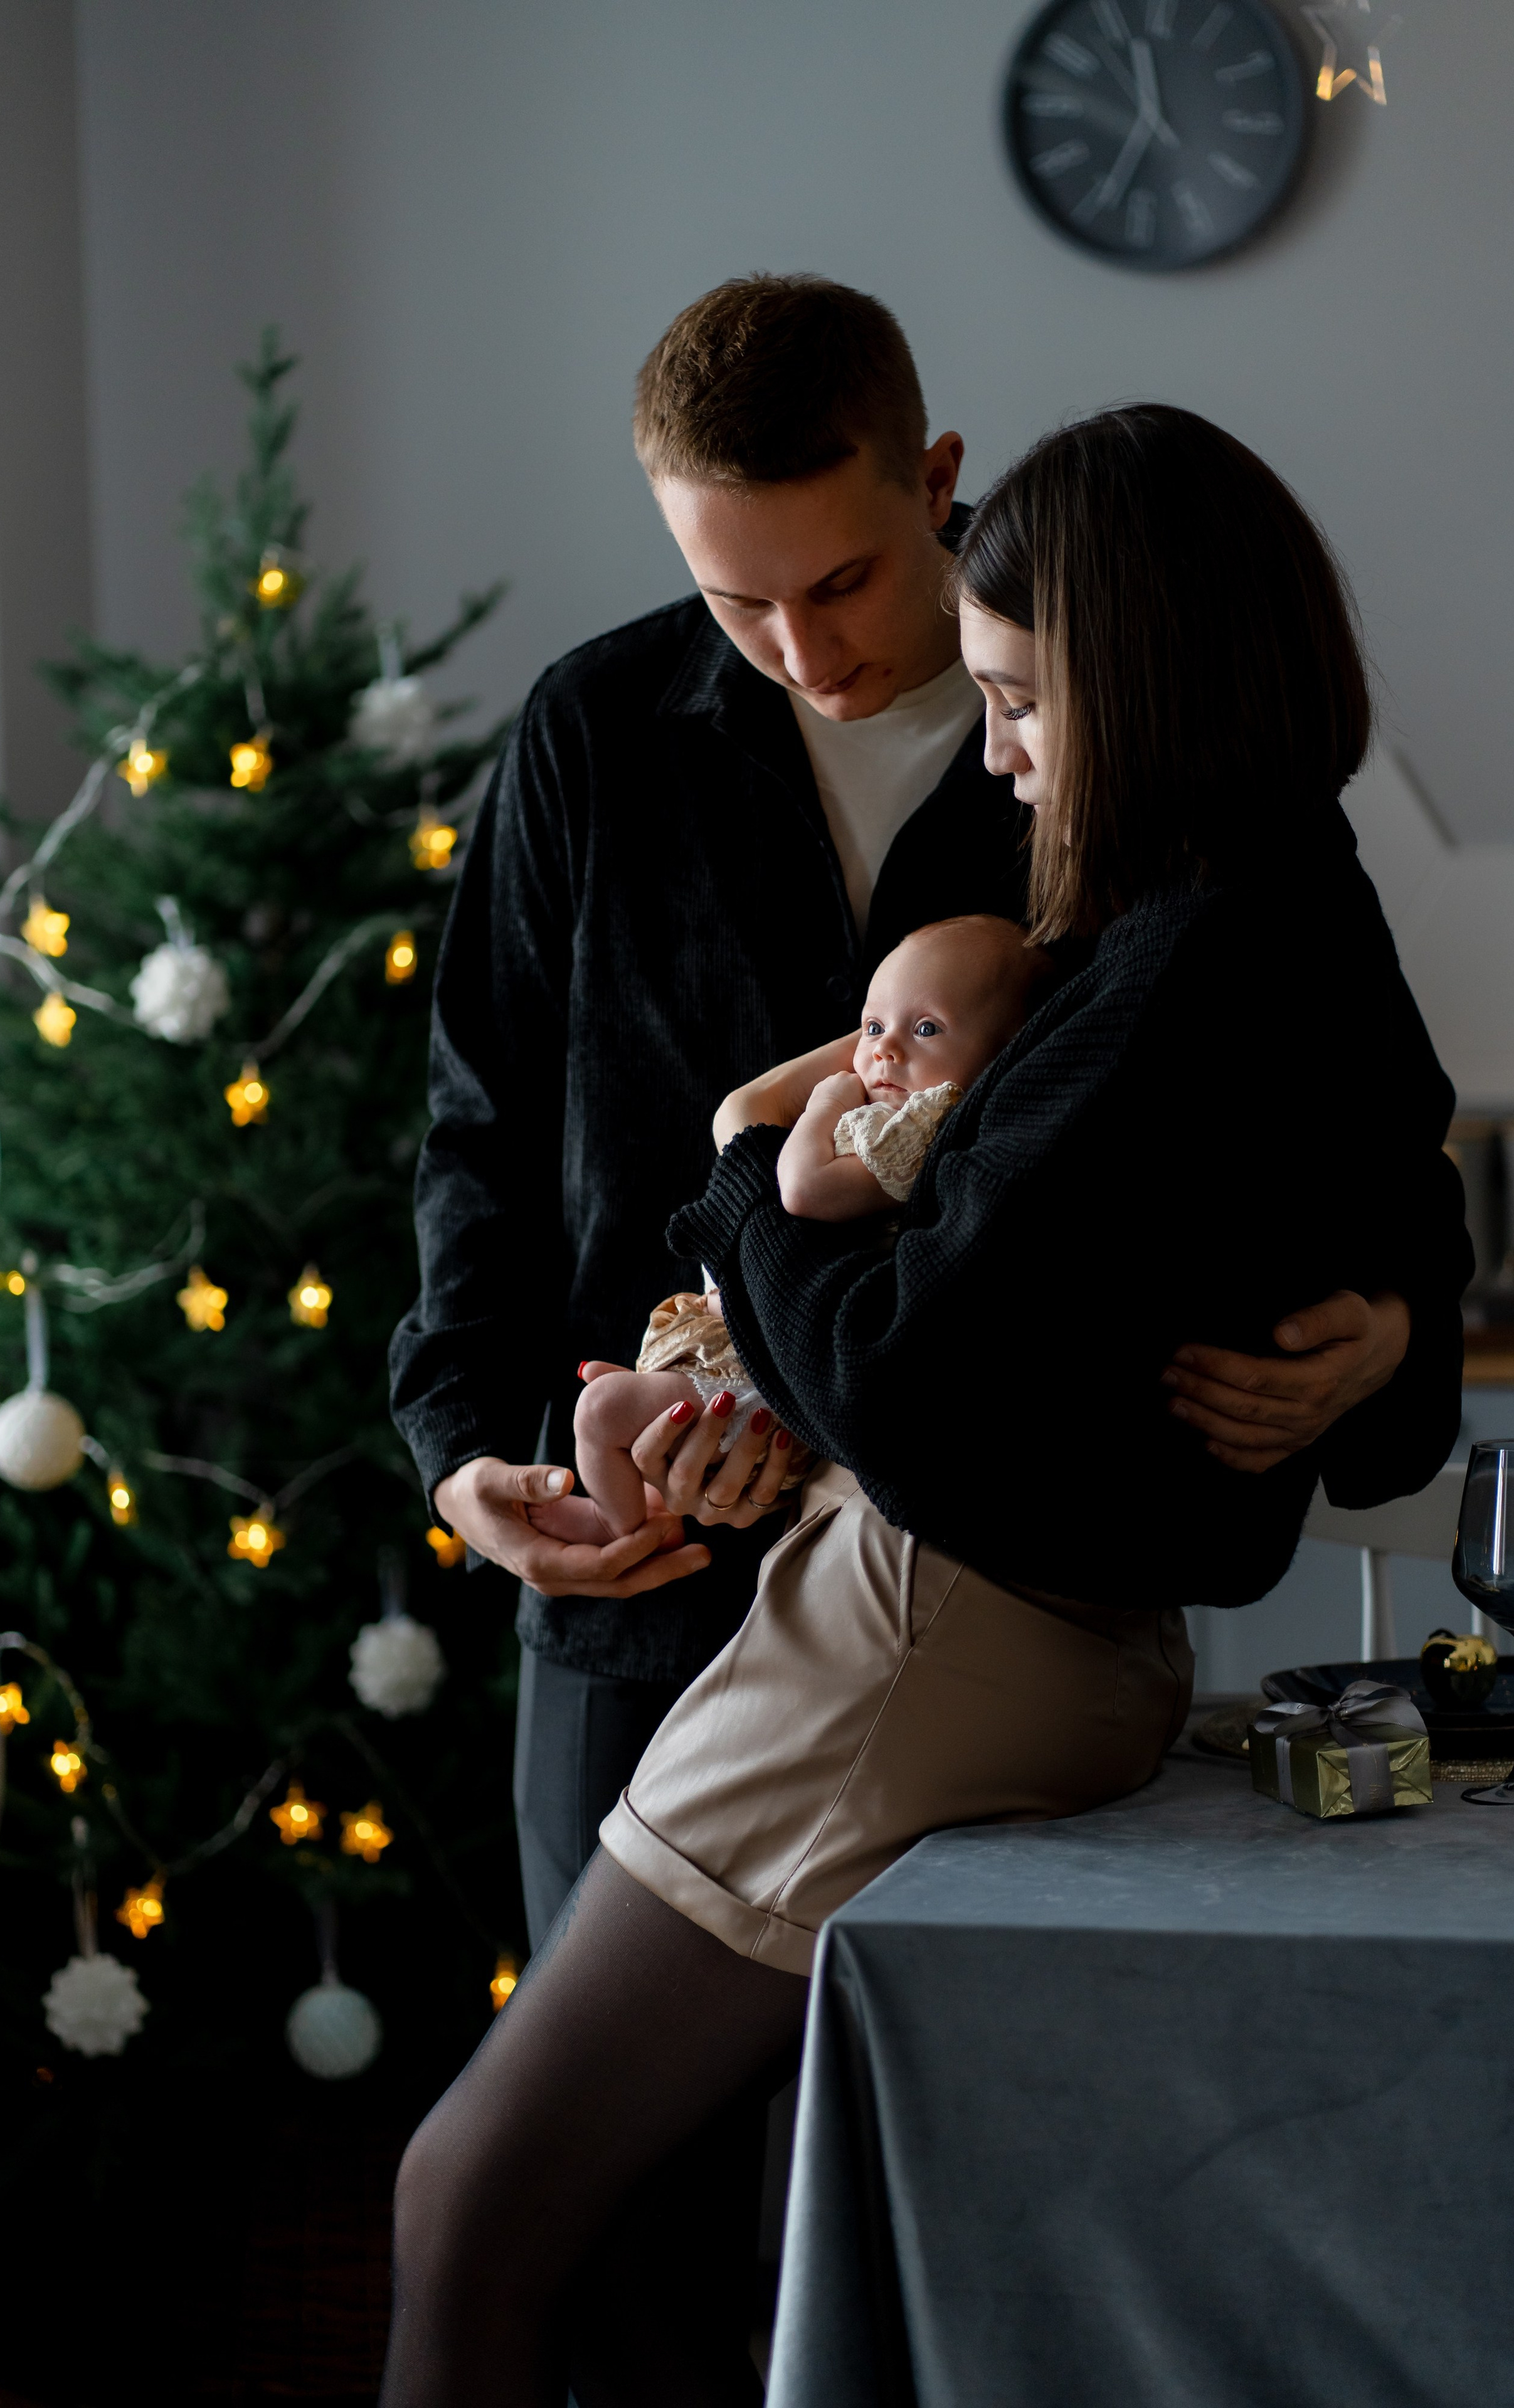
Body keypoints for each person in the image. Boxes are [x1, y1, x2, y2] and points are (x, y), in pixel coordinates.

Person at [379, 404, 1471, 2405]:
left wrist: (734, 1160)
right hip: (901, 1609)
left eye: (1024, 703)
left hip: (918, 1634)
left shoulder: (1177, 955)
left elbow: (912, 1375)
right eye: (734, 597)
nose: (994, 751)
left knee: (473, 2195)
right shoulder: (1243, 896)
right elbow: (490, 1140)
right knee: (757, 2253)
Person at [389, 276, 1414, 1967]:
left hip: (963, 1613)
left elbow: (1355, 1148)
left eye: (844, 581)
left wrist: (1382, 1334)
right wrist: (461, 1463)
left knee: (882, 2173)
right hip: (636, 1586)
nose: (806, 654)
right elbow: (481, 1135)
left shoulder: (1140, 760)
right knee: (611, 2191)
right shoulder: (594, 733)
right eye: (735, 602)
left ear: (936, 477)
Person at [549, 916, 1056, 1544]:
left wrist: (819, 1105)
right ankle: (635, 1512)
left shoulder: (922, 1130)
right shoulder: (897, 1110)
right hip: (762, 1337)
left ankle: (622, 1529)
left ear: (1001, 1057)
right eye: (873, 1027)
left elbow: (802, 1186)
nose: (884, 1051)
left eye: (926, 1029)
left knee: (600, 1412)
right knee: (623, 1415)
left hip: (769, 1364)